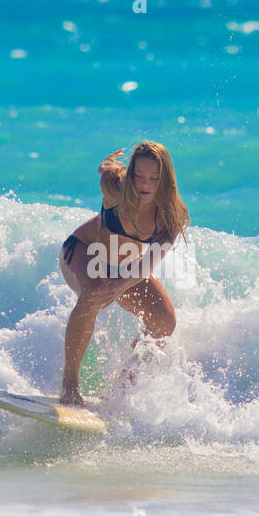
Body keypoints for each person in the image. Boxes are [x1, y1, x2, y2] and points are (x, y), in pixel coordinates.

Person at [58, 141, 189, 405]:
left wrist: (119, 285)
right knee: (92, 293)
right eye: (138, 175)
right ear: (130, 174)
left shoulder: (170, 216)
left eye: (153, 178)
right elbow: (105, 168)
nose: (145, 184)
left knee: (165, 323)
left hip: (128, 270)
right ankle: (69, 386)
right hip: (83, 252)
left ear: (164, 179)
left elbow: (148, 263)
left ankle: (119, 389)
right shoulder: (115, 187)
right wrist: (107, 163)